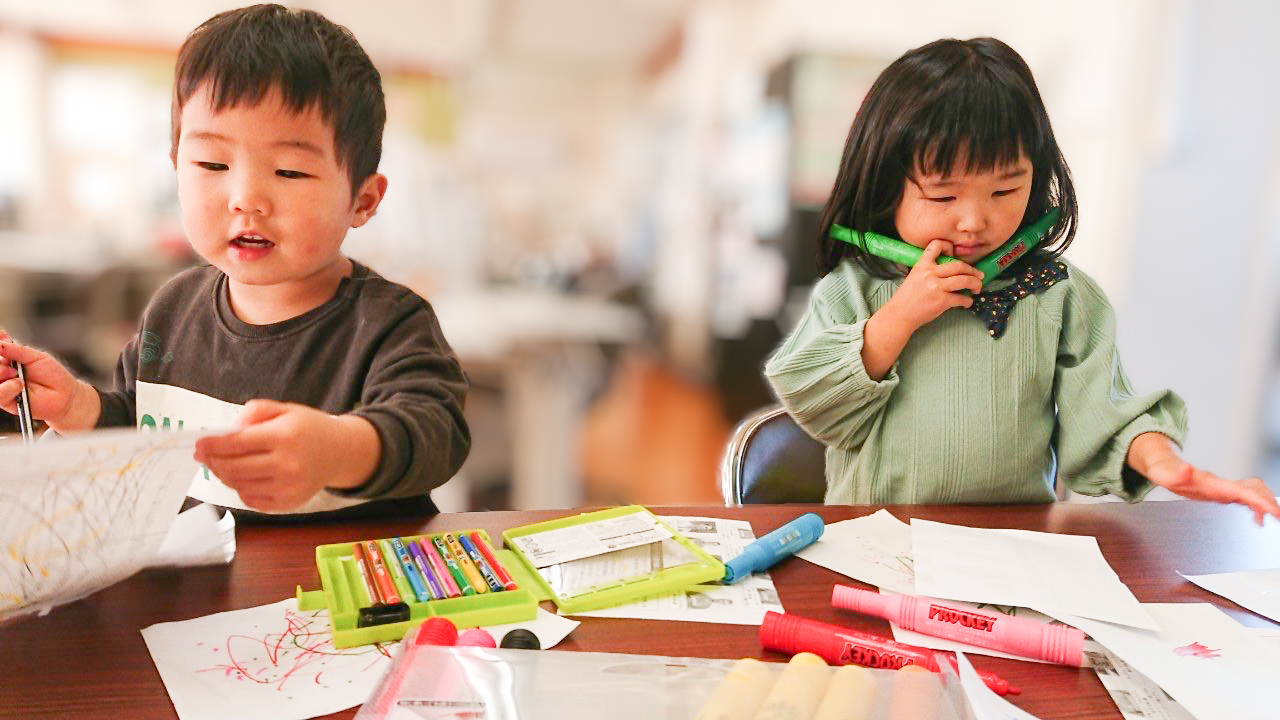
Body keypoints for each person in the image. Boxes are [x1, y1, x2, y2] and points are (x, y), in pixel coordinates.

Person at [763, 37, 1278, 524]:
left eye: (1006, 190)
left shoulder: (1057, 293)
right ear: (884, 188)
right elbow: (813, 403)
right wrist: (899, 316)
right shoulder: (854, 287)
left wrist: (1164, 463)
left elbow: (1105, 410)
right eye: (944, 197)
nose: (974, 221)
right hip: (876, 542)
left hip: (1011, 552)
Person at [0, 4, 469, 519]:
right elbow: (144, 427)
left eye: (289, 171)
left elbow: (435, 432)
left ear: (362, 201)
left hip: (348, 591)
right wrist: (76, 407)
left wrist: (338, 449)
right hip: (206, 588)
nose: (246, 197)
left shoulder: (388, 323)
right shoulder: (172, 311)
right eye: (213, 163)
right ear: (177, 167)